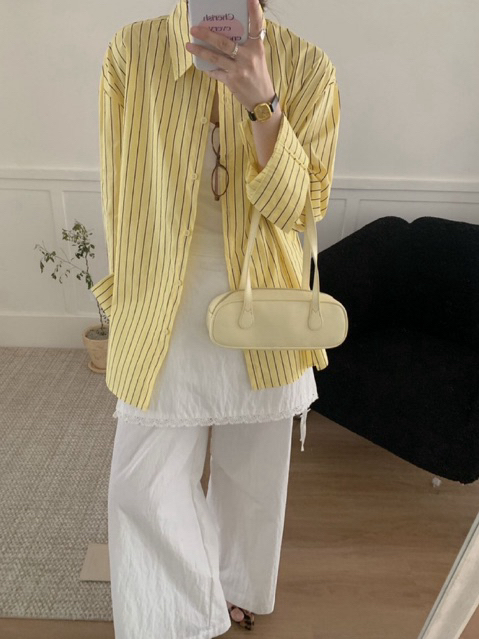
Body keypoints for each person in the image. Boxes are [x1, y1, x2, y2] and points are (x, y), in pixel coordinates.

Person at [93, 0, 340, 637]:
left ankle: (236, 586)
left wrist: (263, 103)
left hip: (267, 309)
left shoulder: (306, 66)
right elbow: (118, 193)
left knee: (252, 476)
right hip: (163, 305)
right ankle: (188, 610)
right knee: (140, 486)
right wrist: (121, 295)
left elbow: (303, 209)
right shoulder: (132, 53)